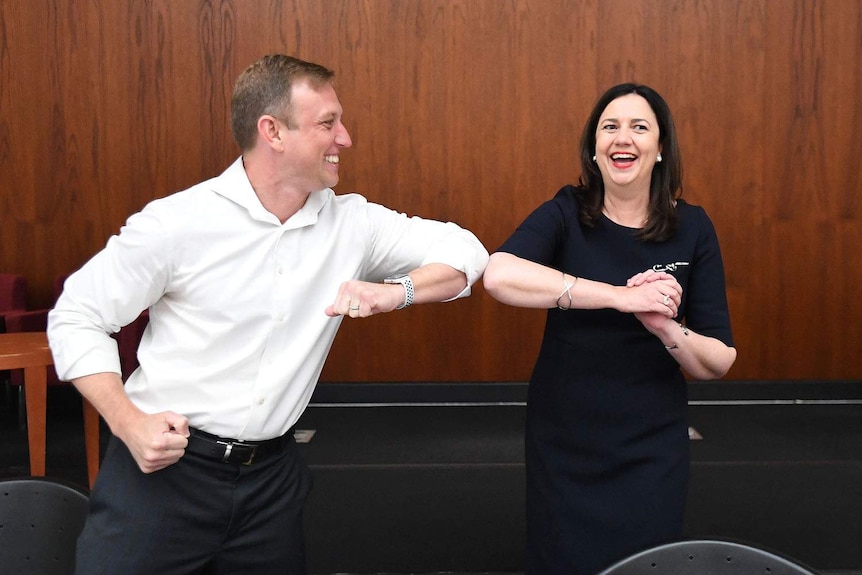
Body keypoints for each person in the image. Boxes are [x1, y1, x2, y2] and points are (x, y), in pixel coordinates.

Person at [47, 54, 489, 575]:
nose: (344, 138)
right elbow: (76, 315)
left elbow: (468, 252)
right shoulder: (177, 223)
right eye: (328, 123)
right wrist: (127, 423)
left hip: (271, 485)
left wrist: (397, 292)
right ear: (272, 131)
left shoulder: (354, 224)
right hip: (163, 474)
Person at [482, 83, 736, 575]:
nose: (624, 138)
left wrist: (665, 327)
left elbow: (719, 359)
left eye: (640, 127)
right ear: (594, 148)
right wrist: (620, 297)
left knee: (646, 563)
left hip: (651, 443)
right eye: (610, 127)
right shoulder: (565, 212)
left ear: (661, 149)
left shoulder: (694, 227)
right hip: (566, 439)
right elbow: (499, 274)